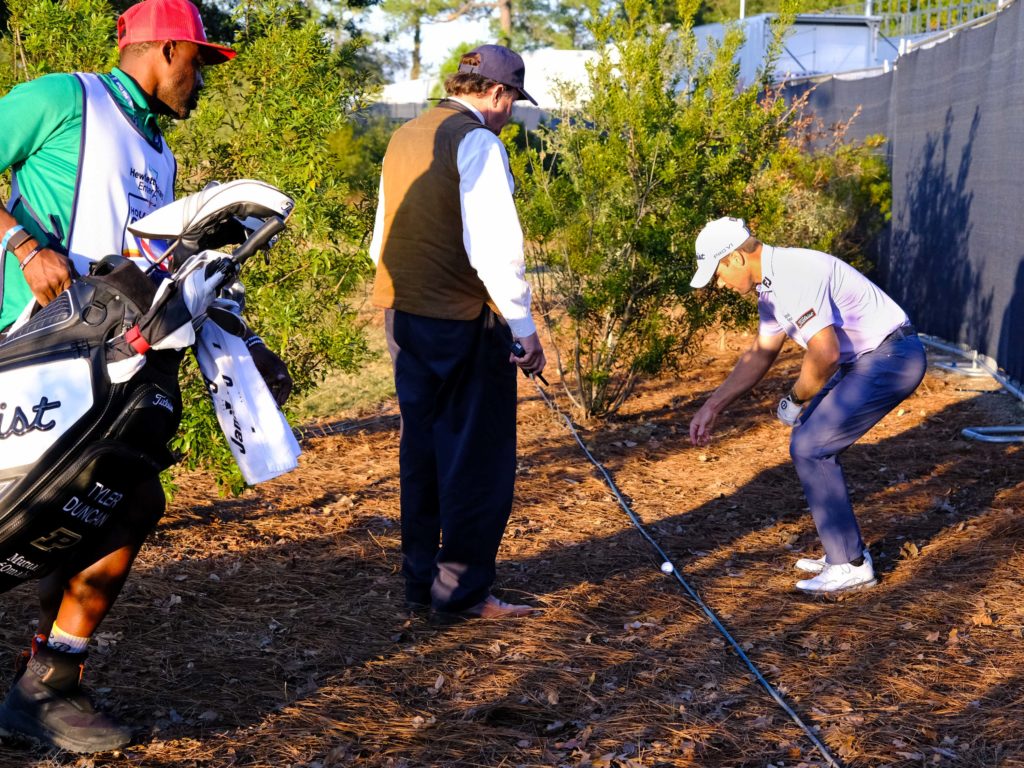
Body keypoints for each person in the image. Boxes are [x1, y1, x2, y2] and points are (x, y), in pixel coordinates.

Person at [0, 0, 291, 752]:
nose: (202, 81)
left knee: (120, 498)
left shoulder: (157, 155)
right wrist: (24, 246)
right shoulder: (65, 100)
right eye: (199, 63)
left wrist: (243, 343)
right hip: (18, 355)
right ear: (165, 50)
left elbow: (159, 269)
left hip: (96, 371)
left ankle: (49, 683)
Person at [368, 44, 546, 621]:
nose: (510, 113)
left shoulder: (406, 136)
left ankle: (422, 586)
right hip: (460, 321)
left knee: (422, 450)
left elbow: (381, 238)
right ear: (496, 93)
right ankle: (463, 593)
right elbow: (495, 250)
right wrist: (524, 328)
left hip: (404, 316)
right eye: (512, 101)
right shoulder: (477, 142)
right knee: (475, 458)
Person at [687, 217, 926, 595]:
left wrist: (796, 399)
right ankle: (842, 553)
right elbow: (760, 354)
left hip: (892, 357)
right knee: (807, 441)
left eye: (717, 274)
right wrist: (713, 405)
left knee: (811, 446)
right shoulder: (771, 288)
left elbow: (825, 354)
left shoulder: (793, 275)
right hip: (869, 359)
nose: (720, 284)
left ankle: (849, 564)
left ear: (734, 258)